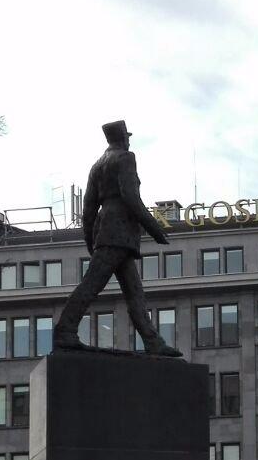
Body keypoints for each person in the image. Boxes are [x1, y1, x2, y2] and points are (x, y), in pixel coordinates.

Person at [53, 120, 182, 356]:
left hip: (107, 230)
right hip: (119, 229)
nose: (129, 140)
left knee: (134, 291)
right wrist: (154, 227)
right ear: (123, 137)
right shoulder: (125, 158)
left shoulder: (97, 165)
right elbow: (131, 196)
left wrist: (90, 240)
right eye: (127, 136)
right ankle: (65, 330)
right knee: (93, 284)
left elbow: (89, 208)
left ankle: (153, 341)